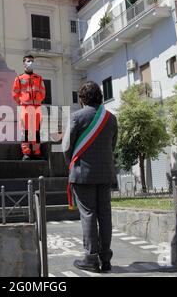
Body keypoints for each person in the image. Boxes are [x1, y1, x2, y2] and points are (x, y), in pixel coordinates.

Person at [62, 81, 118, 273]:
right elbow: (113, 146)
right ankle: (106, 258)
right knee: (105, 215)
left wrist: (73, 163)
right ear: (100, 97)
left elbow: (66, 147)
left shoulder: (76, 117)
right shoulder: (111, 118)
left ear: (82, 99)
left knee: (88, 215)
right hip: (105, 174)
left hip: (82, 175)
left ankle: (91, 259)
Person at [12, 55, 46, 161]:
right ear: (24, 63)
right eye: (28, 61)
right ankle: (26, 153)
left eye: (32, 61)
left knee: (36, 131)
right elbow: (15, 94)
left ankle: (36, 152)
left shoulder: (39, 78)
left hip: (36, 108)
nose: (30, 62)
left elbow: (43, 92)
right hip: (25, 108)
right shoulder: (19, 78)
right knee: (25, 131)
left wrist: (38, 101)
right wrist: (22, 102)